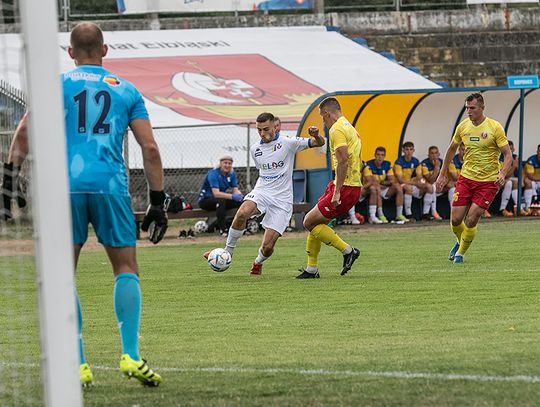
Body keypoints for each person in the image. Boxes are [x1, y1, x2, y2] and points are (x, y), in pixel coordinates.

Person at [2, 22, 166, 387]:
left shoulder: (55, 86)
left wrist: (9, 180)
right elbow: (150, 149)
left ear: (70, 52)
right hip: (111, 187)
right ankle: (130, 355)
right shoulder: (126, 90)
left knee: (63, 274)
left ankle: (77, 364)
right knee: (126, 267)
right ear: (104, 50)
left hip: (64, 189)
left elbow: (25, 131)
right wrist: (157, 202)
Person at [205, 112, 324, 276]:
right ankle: (227, 253)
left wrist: (316, 135)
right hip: (262, 191)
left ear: (275, 126)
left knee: (268, 247)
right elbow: (264, 172)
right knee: (242, 213)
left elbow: (319, 143)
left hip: (282, 199)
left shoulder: (288, 142)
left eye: (266, 129)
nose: (262, 133)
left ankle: (258, 262)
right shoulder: (255, 149)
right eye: (259, 130)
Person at [436, 93, 512, 264]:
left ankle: (460, 254)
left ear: (482, 108)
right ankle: (460, 240)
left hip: (488, 182)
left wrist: (502, 173)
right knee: (455, 220)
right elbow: (451, 149)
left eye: (472, 108)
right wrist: (442, 173)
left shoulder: (494, 127)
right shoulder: (463, 127)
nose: (469, 112)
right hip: (466, 178)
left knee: (471, 218)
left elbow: (508, 155)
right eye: (467, 108)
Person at [296, 97, 362, 279]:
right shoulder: (348, 126)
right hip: (349, 184)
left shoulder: (337, 129)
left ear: (327, 113)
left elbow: (343, 160)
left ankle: (348, 250)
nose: (323, 121)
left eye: (322, 117)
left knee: (308, 222)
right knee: (316, 223)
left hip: (345, 187)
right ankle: (311, 269)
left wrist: (338, 190)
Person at [198, 155, 243, 236]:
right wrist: (232, 196)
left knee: (243, 203)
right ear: (220, 163)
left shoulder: (231, 174)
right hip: (205, 200)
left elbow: (235, 189)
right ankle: (223, 229)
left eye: (229, 163)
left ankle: (242, 227)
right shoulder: (213, 173)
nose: (227, 165)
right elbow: (216, 193)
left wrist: (240, 196)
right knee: (221, 202)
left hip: (220, 199)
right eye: (225, 163)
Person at [364, 146, 407, 223]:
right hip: (371, 190)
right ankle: (380, 215)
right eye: (378, 155)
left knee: (398, 186)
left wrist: (381, 183)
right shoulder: (368, 164)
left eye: (382, 155)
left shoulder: (387, 164)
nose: (380, 157)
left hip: (383, 188)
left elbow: (392, 180)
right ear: (375, 155)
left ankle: (399, 215)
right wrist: (382, 183)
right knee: (375, 187)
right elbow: (370, 181)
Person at [394, 141, 433, 221]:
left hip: (412, 183)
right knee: (409, 188)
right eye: (407, 149)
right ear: (403, 151)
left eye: (411, 149)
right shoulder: (399, 162)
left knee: (429, 186)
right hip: (401, 184)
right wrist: (415, 183)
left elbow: (419, 176)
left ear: (413, 150)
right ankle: (409, 214)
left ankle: (425, 214)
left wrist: (422, 182)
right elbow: (400, 180)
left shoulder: (415, 161)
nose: (409, 152)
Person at [418, 146, 445, 220]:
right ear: (428, 155)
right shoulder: (424, 163)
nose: (434, 155)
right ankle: (432, 211)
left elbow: (447, 177)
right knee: (432, 186)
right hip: (424, 187)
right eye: (432, 153)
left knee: (452, 188)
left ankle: (454, 213)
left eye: (436, 153)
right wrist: (436, 167)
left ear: (439, 154)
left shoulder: (443, 162)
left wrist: (443, 184)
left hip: (441, 187)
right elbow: (431, 180)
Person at [497, 140, 518, 217]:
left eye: (511, 149)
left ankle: (520, 207)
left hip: (511, 179)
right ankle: (502, 209)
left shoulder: (515, 157)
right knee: (509, 182)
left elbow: (522, 172)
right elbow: (505, 175)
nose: (510, 151)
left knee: (516, 182)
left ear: (513, 149)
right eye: (508, 149)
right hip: (499, 180)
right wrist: (514, 167)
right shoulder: (500, 158)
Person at [523, 144, 540, 213]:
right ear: (537, 151)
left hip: (538, 181)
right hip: (532, 181)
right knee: (530, 183)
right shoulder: (531, 160)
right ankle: (528, 207)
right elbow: (531, 176)